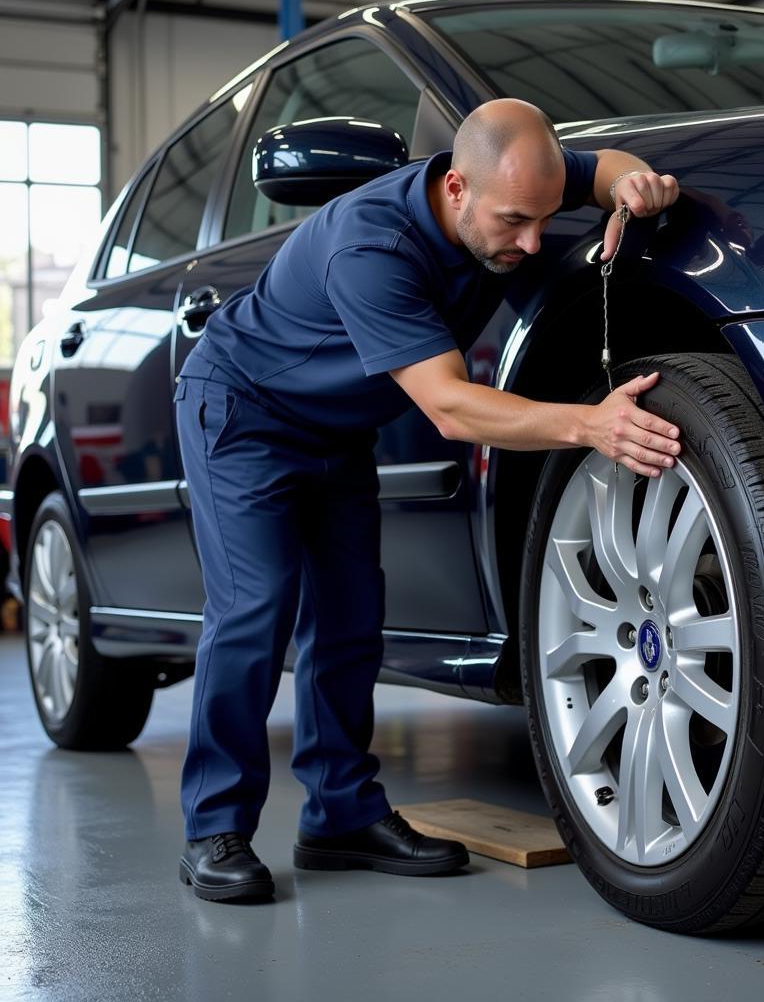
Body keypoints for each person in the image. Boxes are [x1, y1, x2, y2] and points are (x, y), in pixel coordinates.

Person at [175, 98, 681, 903]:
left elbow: (603, 164)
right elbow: (449, 406)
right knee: (255, 609)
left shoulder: (518, 179)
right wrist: (591, 425)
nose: (529, 243)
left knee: (349, 619)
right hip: (243, 413)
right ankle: (214, 828)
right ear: (454, 188)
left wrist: (634, 188)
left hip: (335, 431)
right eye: (514, 220)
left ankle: (339, 817)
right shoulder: (371, 244)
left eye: (543, 218)